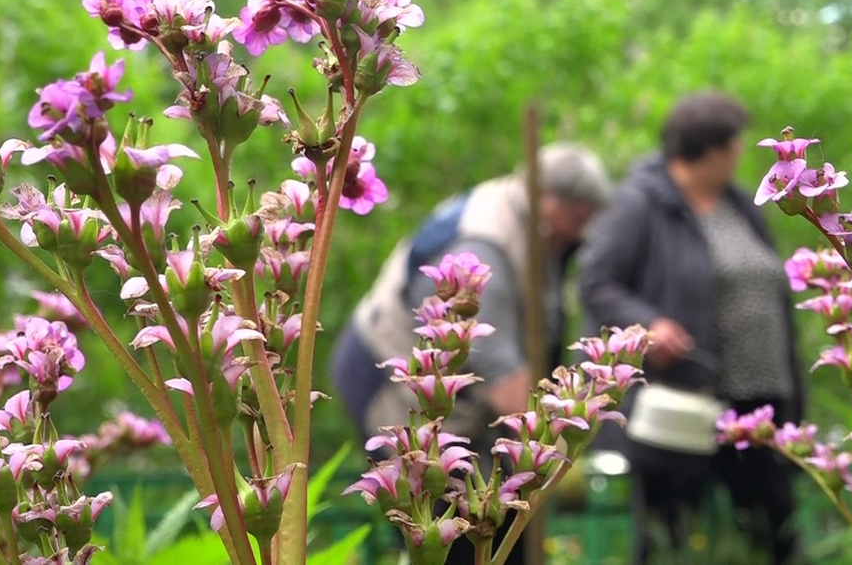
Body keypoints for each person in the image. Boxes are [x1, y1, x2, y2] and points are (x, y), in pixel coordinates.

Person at [330, 142, 613, 565]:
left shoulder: (526, 210)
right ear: (548, 199)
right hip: (390, 384)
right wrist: (564, 455)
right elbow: (509, 391)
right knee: (456, 527)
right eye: (577, 219)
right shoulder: (486, 253)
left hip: (451, 395)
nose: (581, 232)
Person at [578, 91, 805, 565]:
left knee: (774, 529)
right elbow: (597, 282)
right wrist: (649, 325)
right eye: (736, 143)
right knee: (669, 536)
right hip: (685, 400)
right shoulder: (641, 204)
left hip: (758, 400)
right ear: (712, 148)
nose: (742, 152)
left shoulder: (741, 204)